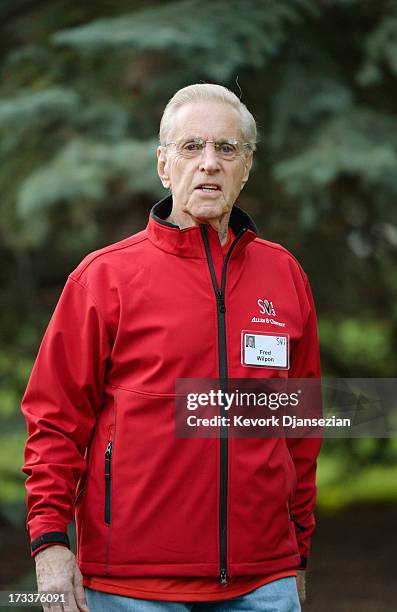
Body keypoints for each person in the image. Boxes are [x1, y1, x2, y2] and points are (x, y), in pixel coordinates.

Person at [22, 84, 322, 612]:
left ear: (246, 166)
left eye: (226, 149)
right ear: (163, 164)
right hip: (133, 587)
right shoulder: (104, 278)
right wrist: (50, 544)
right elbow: (55, 419)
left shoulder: (285, 275)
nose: (209, 163)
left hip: (263, 580)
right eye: (191, 147)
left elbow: (300, 427)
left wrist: (296, 551)